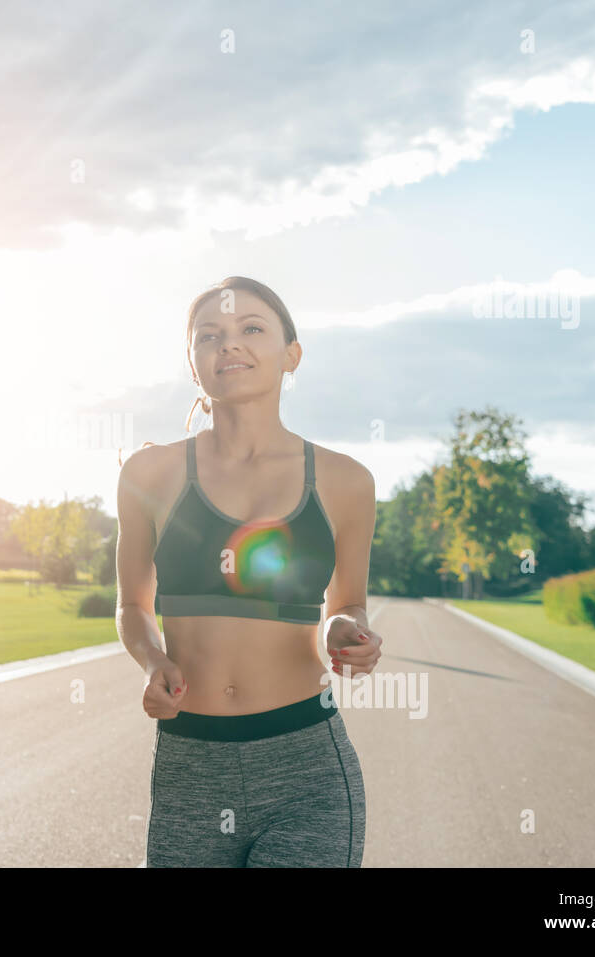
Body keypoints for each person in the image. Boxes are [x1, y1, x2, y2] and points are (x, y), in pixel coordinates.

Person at [115, 276, 383, 867]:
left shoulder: (346, 481)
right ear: (193, 364)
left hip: (307, 768)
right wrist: (153, 661)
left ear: (292, 354)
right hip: (189, 767)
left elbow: (348, 602)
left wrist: (346, 629)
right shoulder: (148, 474)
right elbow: (132, 605)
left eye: (251, 328)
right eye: (209, 335)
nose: (229, 343)